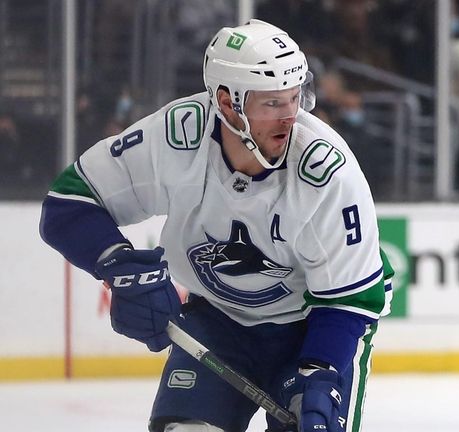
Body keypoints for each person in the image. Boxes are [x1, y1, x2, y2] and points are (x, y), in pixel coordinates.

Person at [39, 20, 393, 432]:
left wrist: (321, 369)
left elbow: (353, 297)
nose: (289, 117)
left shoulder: (327, 172)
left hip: (312, 327)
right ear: (227, 103)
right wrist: (115, 263)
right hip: (218, 321)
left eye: (295, 99)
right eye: (272, 103)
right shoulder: (175, 138)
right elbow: (68, 204)